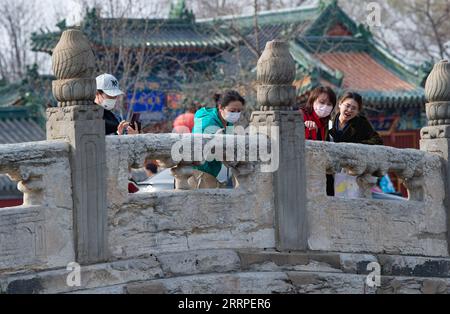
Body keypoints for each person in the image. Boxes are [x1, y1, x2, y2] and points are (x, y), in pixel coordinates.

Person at [190, 90, 245, 189]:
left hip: (212, 172)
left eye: (239, 111)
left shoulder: (228, 122)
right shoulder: (207, 121)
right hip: (197, 172)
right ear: (221, 107)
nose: (236, 114)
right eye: (232, 111)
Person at [300, 86, 337, 196]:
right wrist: (303, 125)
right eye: (321, 102)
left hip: (321, 171)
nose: (325, 107)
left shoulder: (326, 124)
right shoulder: (300, 115)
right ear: (312, 101)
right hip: (303, 169)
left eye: (329, 104)